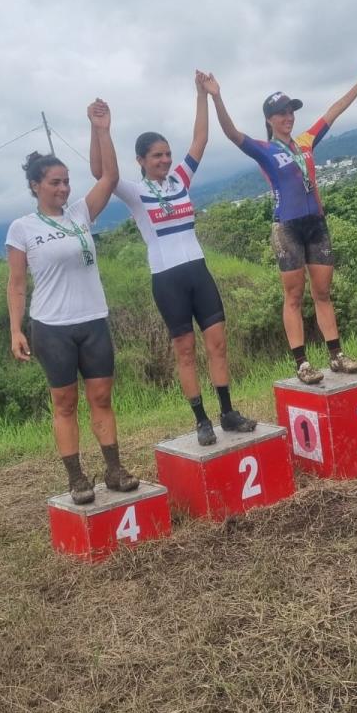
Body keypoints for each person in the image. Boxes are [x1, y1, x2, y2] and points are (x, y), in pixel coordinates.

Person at [89, 73, 256, 446]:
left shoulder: (180, 179)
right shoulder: (135, 193)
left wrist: (202, 95)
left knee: (217, 343)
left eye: (167, 154)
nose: (165, 160)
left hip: (198, 272)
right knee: (185, 351)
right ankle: (201, 420)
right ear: (141, 160)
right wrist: (101, 130)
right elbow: (102, 173)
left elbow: (200, 139)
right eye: (157, 156)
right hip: (167, 280)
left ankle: (228, 412)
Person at [6, 100, 139, 505]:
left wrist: (102, 129)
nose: (63, 189)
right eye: (54, 183)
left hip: (93, 320)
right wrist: (15, 330)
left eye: (66, 182)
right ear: (35, 186)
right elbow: (16, 284)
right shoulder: (22, 228)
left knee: (102, 398)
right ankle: (77, 477)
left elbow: (110, 176)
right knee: (64, 403)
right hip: (52, 327)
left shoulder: (80, 214)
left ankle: (114, 469)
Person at [204, 70, 357, 384]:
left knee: (323, 292)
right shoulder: (264, 150)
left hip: (316, 225)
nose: (288, 117)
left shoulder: (306, 141)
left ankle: (336, 355)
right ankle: (302, 363)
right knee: (293, 296)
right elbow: (231, 133)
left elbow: (334, 111)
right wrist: (216, 97)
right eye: (282, 113)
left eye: (291, 111)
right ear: (270, 119)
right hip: (287, 229)